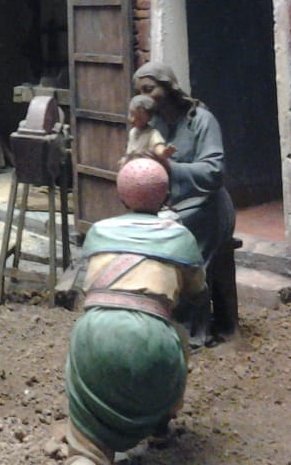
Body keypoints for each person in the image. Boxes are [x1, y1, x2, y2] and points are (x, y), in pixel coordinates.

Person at [65, 157, 205, 465]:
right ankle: (160, 423)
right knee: (177, 343)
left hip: (94, 330)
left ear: (120, 197)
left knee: (86, 437)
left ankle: (87, 452)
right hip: (153, 333)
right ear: (165, 196)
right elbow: (197, 291)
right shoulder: (180, 237)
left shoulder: (99, 231)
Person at [131, 60, 237, 346]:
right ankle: (156, 317)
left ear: (169, 87)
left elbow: (214, 172)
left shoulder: (201, 120)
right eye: (139, 92)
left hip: (208, 206)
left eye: (149, 89)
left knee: (182, 248)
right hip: (170, 207)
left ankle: (190, 330)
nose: (144, 98)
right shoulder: (152, 125)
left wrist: (170, 168)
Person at [121, 94, 176, 166]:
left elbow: (159, 150)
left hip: (145, 167)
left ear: (149, 118)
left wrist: (164, 152)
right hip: (132, 166)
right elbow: (129, 152)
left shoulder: (152, 134)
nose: (132, 120)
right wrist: (125, 159)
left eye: (139, 118)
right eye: (131, 114)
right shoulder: (132, 132)